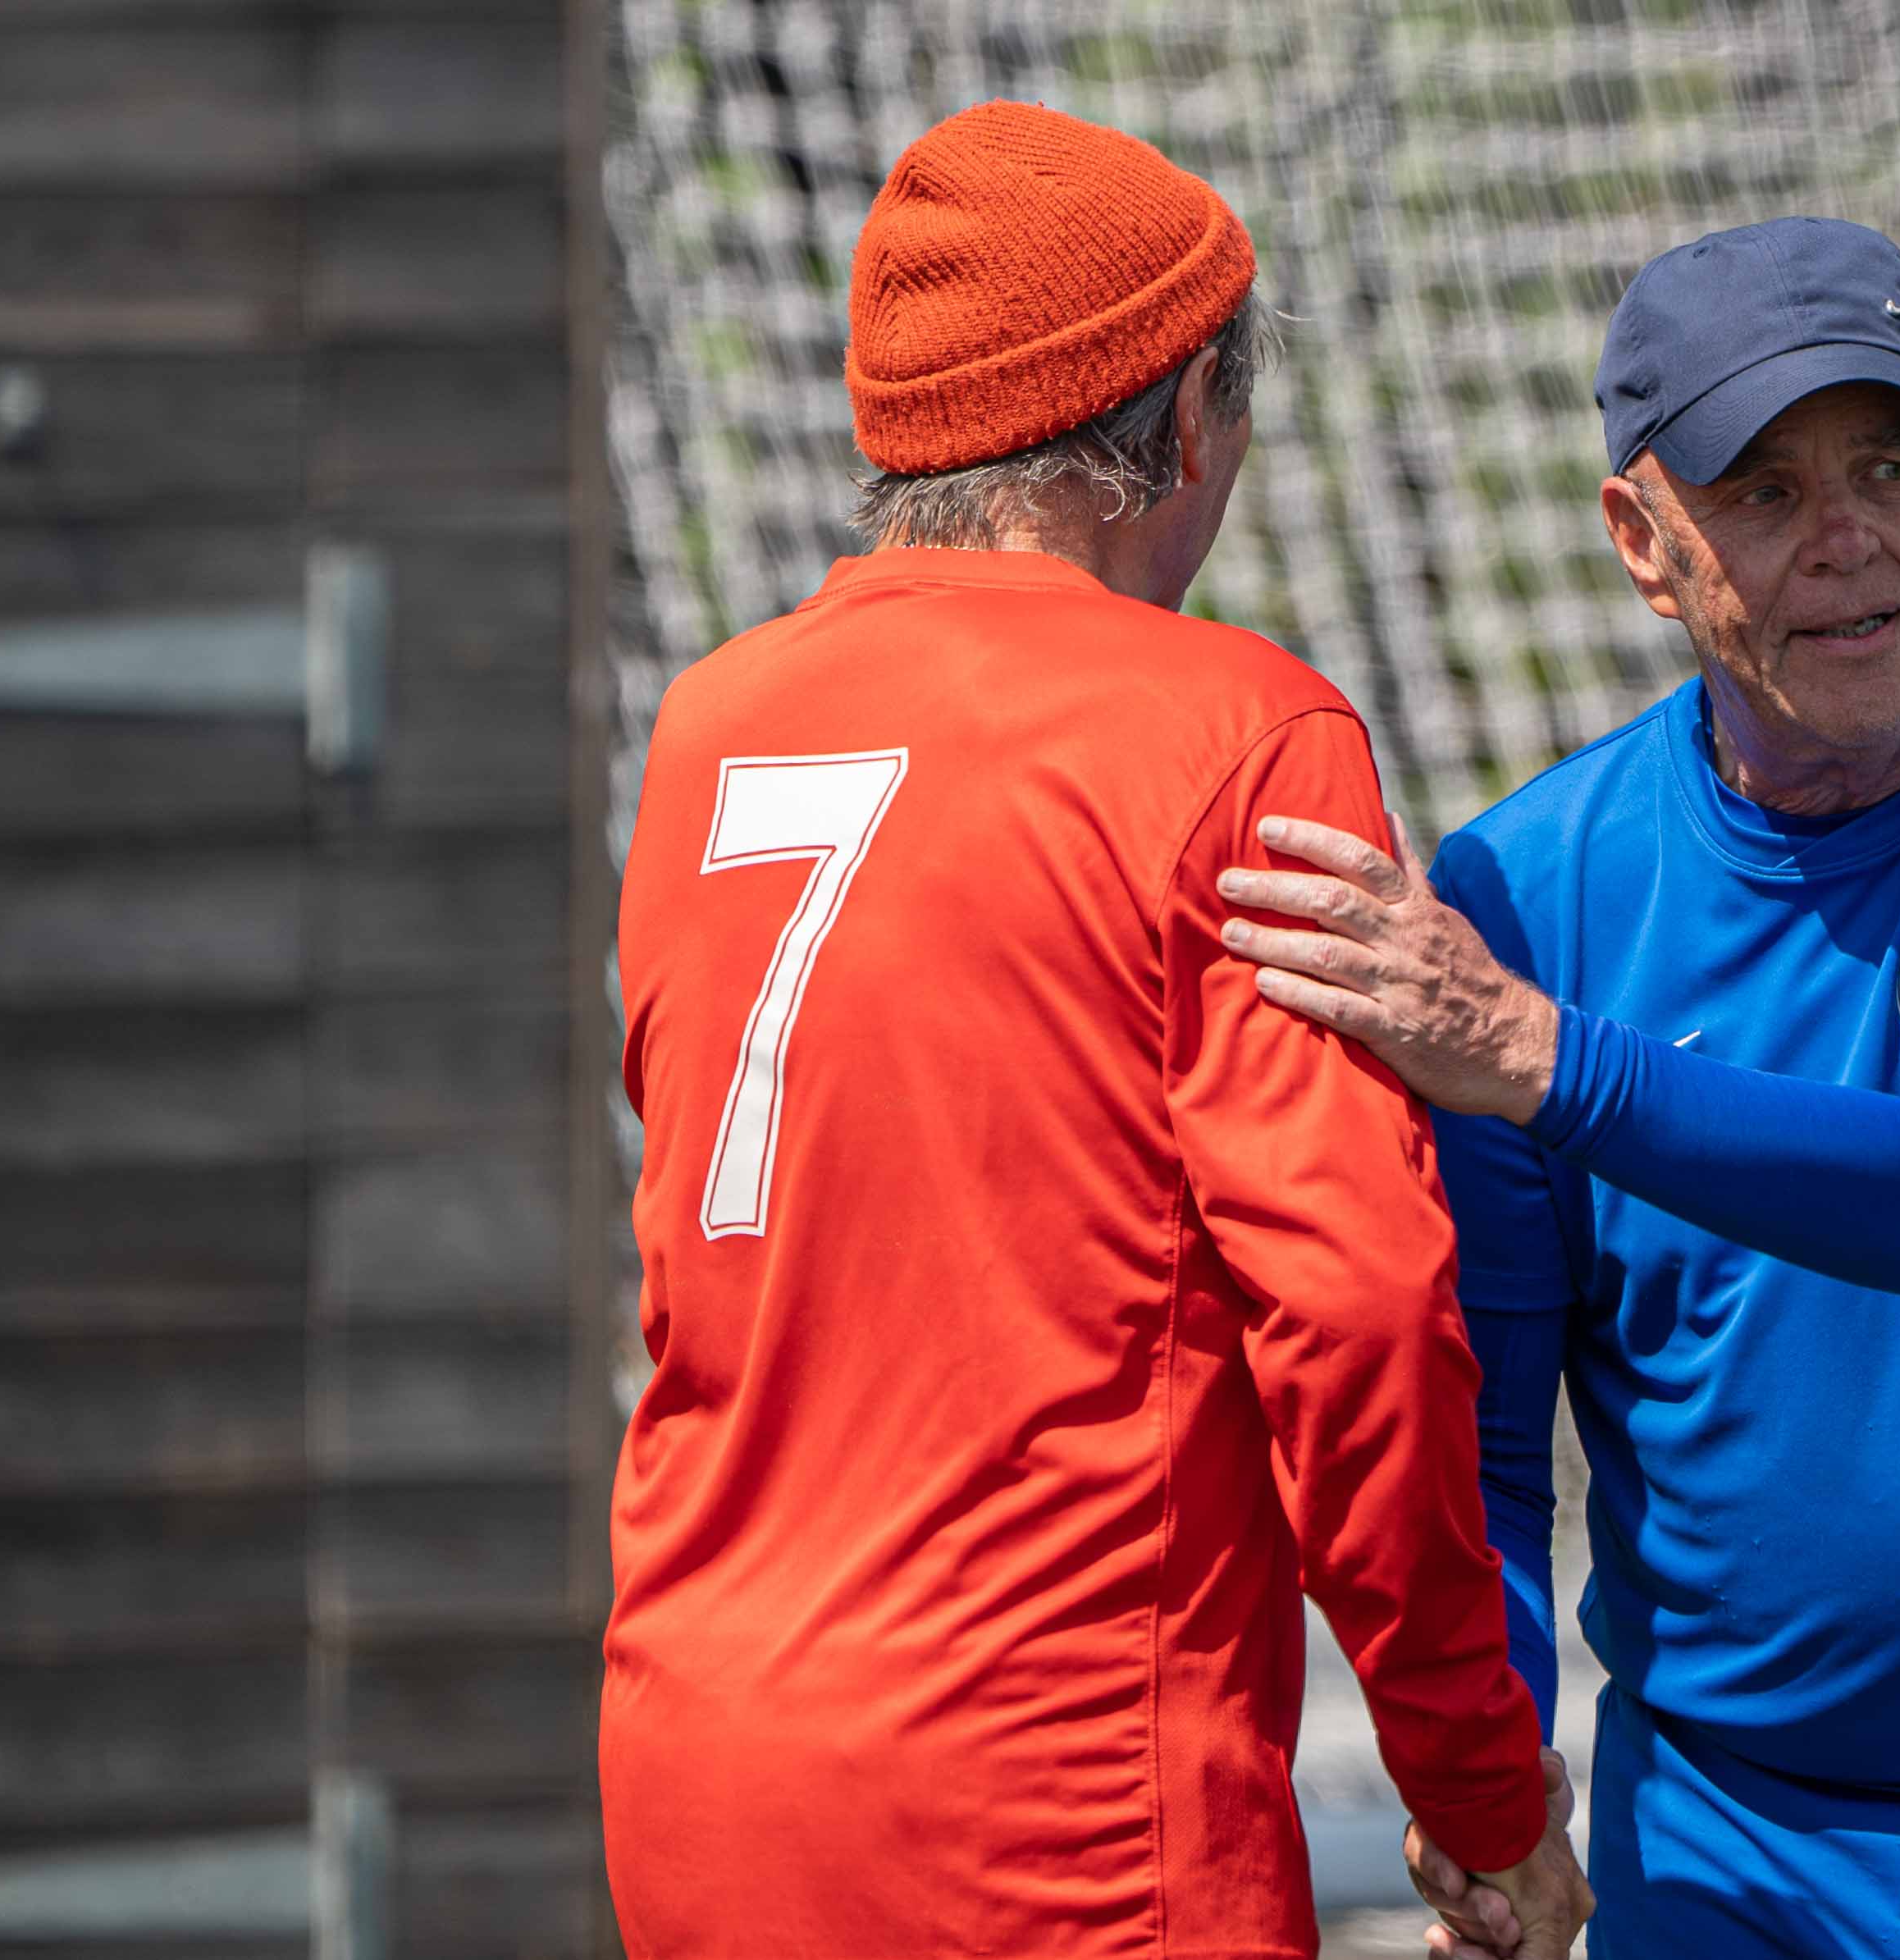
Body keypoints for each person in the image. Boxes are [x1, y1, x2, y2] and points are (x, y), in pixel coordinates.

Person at [1216, 217, 1900, 1958]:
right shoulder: (1525, 894)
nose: (1843, 540)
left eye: (1889, 467)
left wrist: (1539, 1057)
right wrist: (1493, 1797)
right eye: (1761, 492)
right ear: (1641, 544)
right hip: (1730, 1857)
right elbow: (1490, 1448)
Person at [601, 101, 1591, 1960]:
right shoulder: (1231, 732)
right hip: (1051, 1810)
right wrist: (1480, 1790)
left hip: (697, 1766)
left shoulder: (710, 730)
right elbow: (1360, 1323)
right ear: (1191, 411)